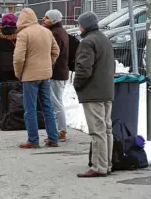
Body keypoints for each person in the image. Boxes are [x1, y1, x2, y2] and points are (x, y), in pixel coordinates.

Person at [74, 12, 115, 178]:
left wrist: (77, 84)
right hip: (106, 90)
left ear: (84, 25)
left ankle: (99, 166)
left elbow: (84, 69)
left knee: (97, 131)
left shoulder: (87, 42)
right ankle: (107, 163)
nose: (79, 27)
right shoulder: (104, 39)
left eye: (80, 24)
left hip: (93, 92)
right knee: (106, 129)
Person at [13, 8, 60, 148]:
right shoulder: (47, 31)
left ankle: (33, 140)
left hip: (30, 75)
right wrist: (48, 63)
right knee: (47, 106)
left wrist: (19, 73)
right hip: (45, 75)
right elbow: (56, 51)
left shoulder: (23, 34)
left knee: (30, 109)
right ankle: (53, 138)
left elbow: (18, 58)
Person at [42, 10, 70, 142]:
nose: (43, 19)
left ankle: (61, 130)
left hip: (56, 73)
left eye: (47, 18)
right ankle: (60, 129)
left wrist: (47, 70)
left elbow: (54, 55)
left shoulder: (55, 34)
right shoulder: (61, 32)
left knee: (55, 102)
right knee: (56, 101)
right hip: (61, 72)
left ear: (53, 20)